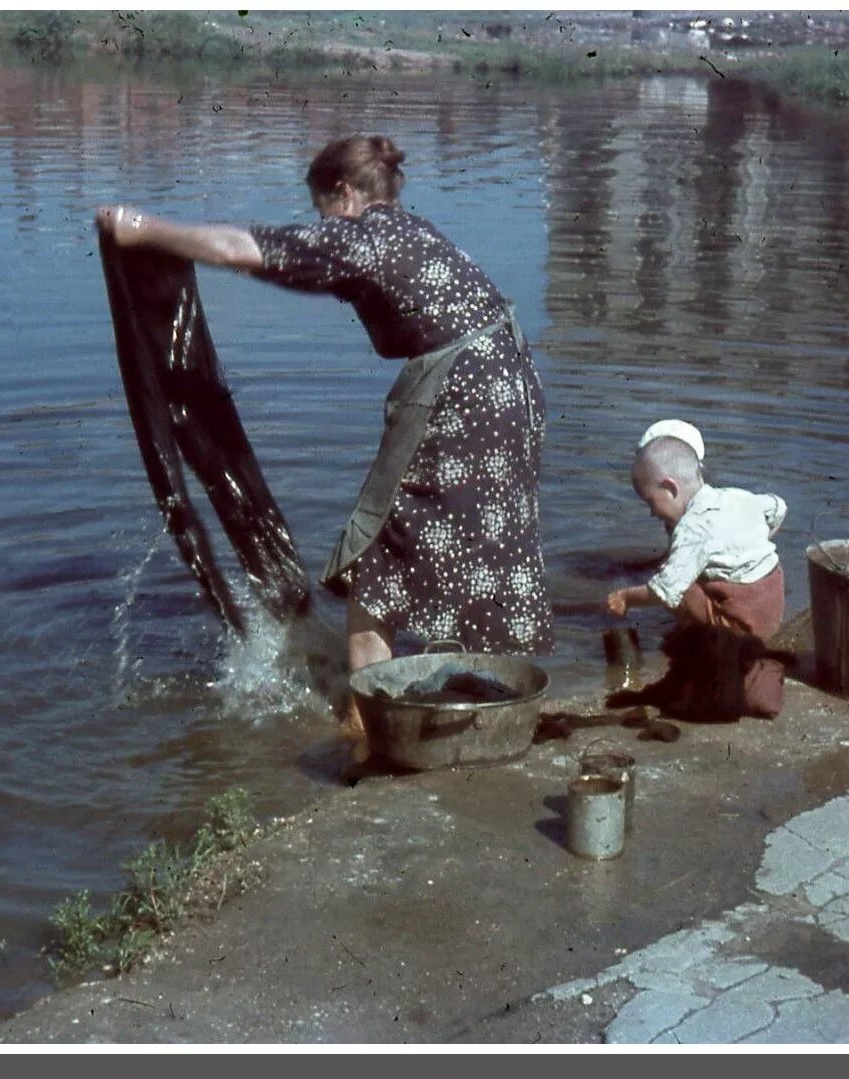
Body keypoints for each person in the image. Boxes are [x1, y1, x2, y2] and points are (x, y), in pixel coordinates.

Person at [96, 135, 554, 730]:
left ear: (343, 194)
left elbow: (251, 247)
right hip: (511, 394)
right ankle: (469, 702)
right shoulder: (414, 232)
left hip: (466, 401)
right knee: (470, 549)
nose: (321, 223)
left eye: (320, 209)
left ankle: (366, 731)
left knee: (381, 568)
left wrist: (145, 229)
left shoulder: (365, 235)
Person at [606, 421, 789, 719]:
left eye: (651, 502)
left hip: (743, 620)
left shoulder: (694, 527)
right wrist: (751, 546)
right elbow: (778, 507)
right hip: (770, 600)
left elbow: (665, 591)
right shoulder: (734, 496)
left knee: (676, 582)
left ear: (670, 487)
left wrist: (626, 597)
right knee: (688, 570)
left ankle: (715, 636)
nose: (651, 512)